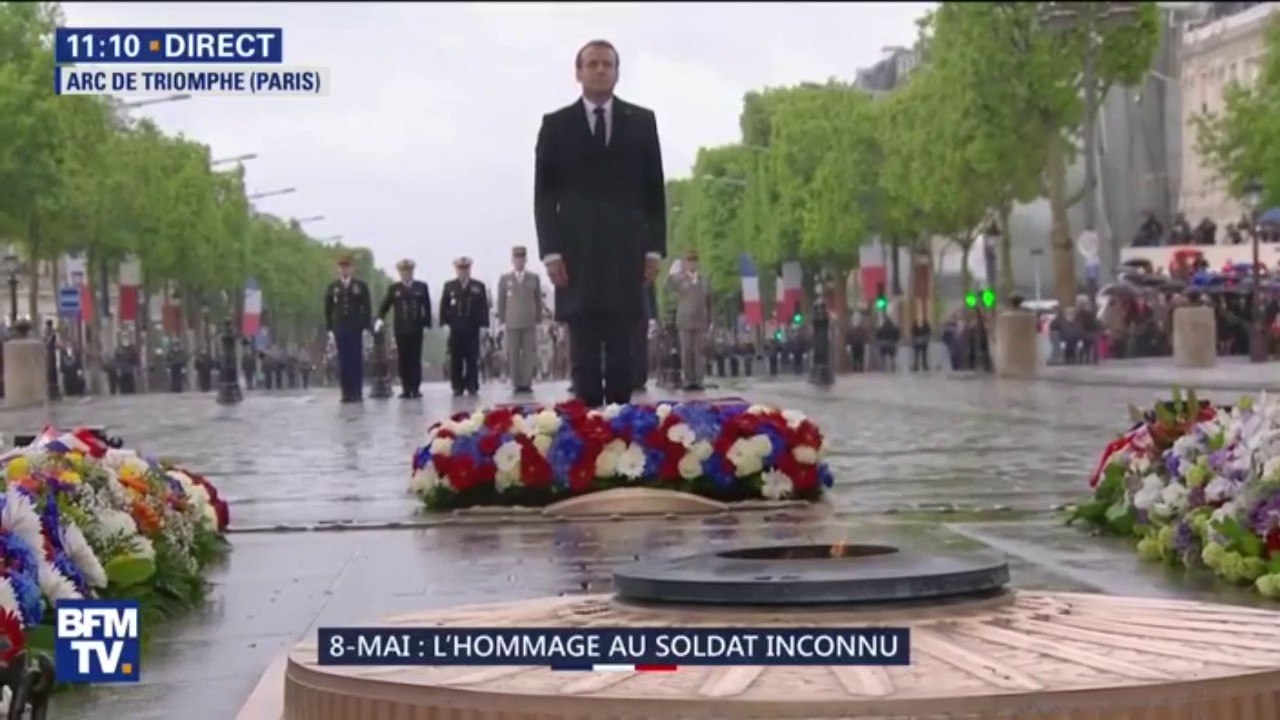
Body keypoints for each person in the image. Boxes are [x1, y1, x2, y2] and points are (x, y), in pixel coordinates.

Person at [534, 39, 666, 407]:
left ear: (617, 72)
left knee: (625, 355)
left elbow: (654, 189)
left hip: (627, 251)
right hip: (577, 255)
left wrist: (654, 248)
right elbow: (545, 195)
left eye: (607, 64)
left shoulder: (641, 122)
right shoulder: (556, 125)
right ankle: (587, 439)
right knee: (584, 356)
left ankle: (625, 440)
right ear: (578, 73)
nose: (599, 70)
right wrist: (551, 252)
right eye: (591, 64)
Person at [376, 258, 432, 399]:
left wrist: (427, 323)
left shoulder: (421, 287)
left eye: (408, 271)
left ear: (412, 272)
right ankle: (406, 388)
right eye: (403, 271)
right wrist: (380, 318)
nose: (406, 274)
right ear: (400, 273)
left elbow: (427, 307)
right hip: (401, 329)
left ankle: (415, 387)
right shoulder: (395, 289)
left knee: (415, 358)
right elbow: (385, 305)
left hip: (416, 328)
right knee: (403, 359)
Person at [323, 253, 372, 403]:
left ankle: (356, 391)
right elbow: (328, 309)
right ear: (338, 269)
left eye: (347, 267)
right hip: (340, 328)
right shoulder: (333, 287)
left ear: (352, 269)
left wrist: (365, 326)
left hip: (355, 327)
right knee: (343, 361)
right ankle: (346, 391)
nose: (344, 270)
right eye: (342, 267)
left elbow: (367, 307)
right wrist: (330, 328)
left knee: (356, 359)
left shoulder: (360, 286)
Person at [496, 246, 543, 394]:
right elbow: (501, 301)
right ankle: (516, 382)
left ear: (525, 260)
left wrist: (539, 318)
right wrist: (502, 320)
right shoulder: (505, 279)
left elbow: (538, 300)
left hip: (529, 321)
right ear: (513, 260)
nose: (519, 261)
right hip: (512, 322)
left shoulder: (533, 278)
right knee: (513, 353)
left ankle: (527, 382)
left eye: (522, 258)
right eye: (517, 258)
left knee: (529, 353)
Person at [440, 256, 489, 396]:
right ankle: (457, 385)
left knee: (472, 358)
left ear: (469, 269)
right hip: (455, 327)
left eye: (466, 269)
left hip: (472, 328)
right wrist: (444, 322)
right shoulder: (450, 286)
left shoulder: (478, 286)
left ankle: (472, 384)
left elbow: (483, 307)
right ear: (456, 270)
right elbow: (444, 306)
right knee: (456, 358)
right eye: (460, 269)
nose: (463, 272)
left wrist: (484, 325)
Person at [668, 248, 711, 391]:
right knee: (686, 351)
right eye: (689, 260)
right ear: (685, 263)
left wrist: (711, 321)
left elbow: (710, 301)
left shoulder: (704, 280)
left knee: (698, 351)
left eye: (694, 260)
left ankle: (699, 379)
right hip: (684, 321)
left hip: (700, 320)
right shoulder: (680, 280)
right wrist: (671, 273)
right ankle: (688, 380)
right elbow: (668, 287)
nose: (692, 263)